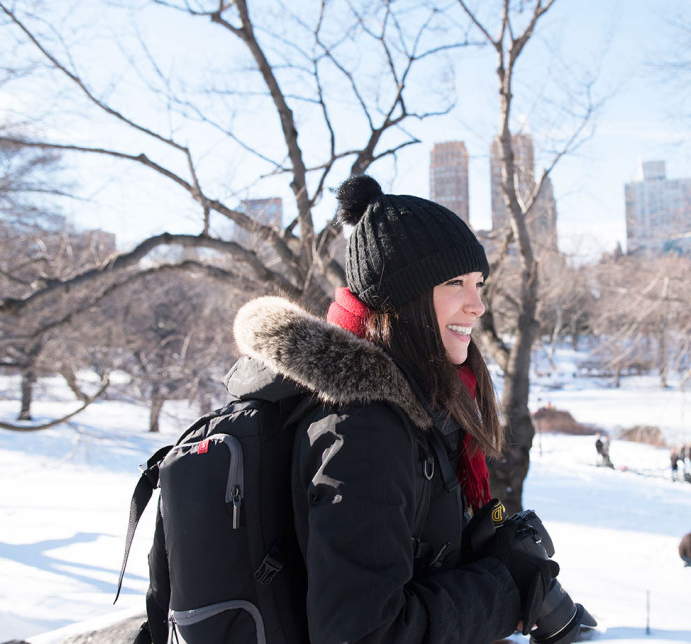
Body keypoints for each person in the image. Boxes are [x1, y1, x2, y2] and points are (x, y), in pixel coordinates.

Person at [196, 175, 564, 643]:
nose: (478, 305)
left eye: (478, 283)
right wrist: (503, 589)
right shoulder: (364, 429)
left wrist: (492, 546)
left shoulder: (420, 405)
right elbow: (365, 633)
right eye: (456, 283)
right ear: (402, 298)